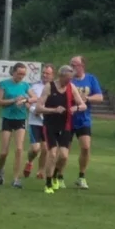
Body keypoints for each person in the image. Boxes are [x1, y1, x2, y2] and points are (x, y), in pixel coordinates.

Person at [36, 64, 86, 194]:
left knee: (63, 156)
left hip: (65, 125)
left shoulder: (71, 87)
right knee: (52, 153)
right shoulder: (49, 87)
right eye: (67, 79)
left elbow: (83, 105)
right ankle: (48, 184)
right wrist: (54, 110)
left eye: (71, 79)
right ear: (61, 76)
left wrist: (76, 108)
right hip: (50, 125)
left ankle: (54, 175)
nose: (69, 81)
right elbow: (38, 108)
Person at [70, 55, 104, 189]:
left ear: (82, 66)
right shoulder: (68, 79)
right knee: (63, 151)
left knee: (85, 147)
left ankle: (81, 176)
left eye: (74, 65)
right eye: (71, 65)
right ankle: (58, 175)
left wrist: (87, 98)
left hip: (83, 119)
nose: (72, 67)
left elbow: (100, 97)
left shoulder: (91, 79)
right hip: (68, 118)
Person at [0, 63, 31, 188]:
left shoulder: (25, 85)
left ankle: (16, 178)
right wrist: (14, 100)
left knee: (19, 149)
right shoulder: (4, 84)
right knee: (4, 152)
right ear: (13, 72)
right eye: (19, 73)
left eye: (23, 74)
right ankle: (0, 170)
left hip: (21, 118)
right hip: (7, 118)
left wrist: (25, 100)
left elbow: (35, 98)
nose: (21, 76)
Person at [23, 64, 53, 180]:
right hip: (34, 122)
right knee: (35, 148)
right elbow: (26, 101)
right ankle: (29, 161)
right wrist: (33, 110)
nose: (45, 75)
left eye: (47, 73)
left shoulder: (54, 87)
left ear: (52, 75)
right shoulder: (34, 86)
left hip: (48, 122)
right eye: (43, 73)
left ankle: (40, 170)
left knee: (45, 148)